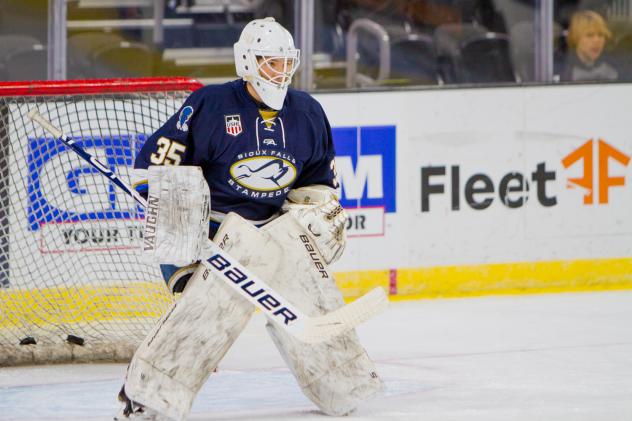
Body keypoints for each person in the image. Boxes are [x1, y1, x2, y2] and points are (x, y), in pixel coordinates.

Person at [116, 17, 354, 420]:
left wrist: (318, 214)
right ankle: (149, 398)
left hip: (276, 231)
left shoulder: (308, 113)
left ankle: (343, 383)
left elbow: (318, 184)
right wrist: (181, 228)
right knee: (208, 312)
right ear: (246, 62)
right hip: (214, 233)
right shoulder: (210, 105)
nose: (279, 72)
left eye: (285, 62)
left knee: (312, 295)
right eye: (269, 62)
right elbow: (153, 170)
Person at [561, 10, 618, 82]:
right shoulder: (561, 68)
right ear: (576, 38)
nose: (597, 40)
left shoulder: (613, 68)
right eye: (589, 35)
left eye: (601, 34)